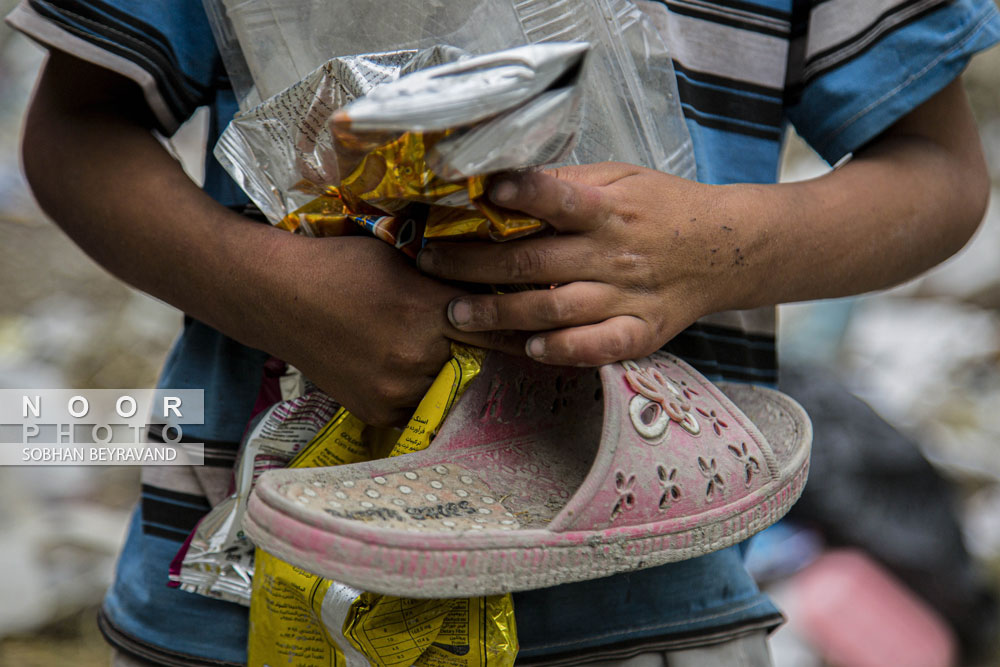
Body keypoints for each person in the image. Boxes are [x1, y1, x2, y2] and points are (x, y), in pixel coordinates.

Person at [9, 0, 999, 665]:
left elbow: (935, 169)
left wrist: (713, 248)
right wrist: (273, 287)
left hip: (644, 586)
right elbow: (78, 128)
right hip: (259, 587)